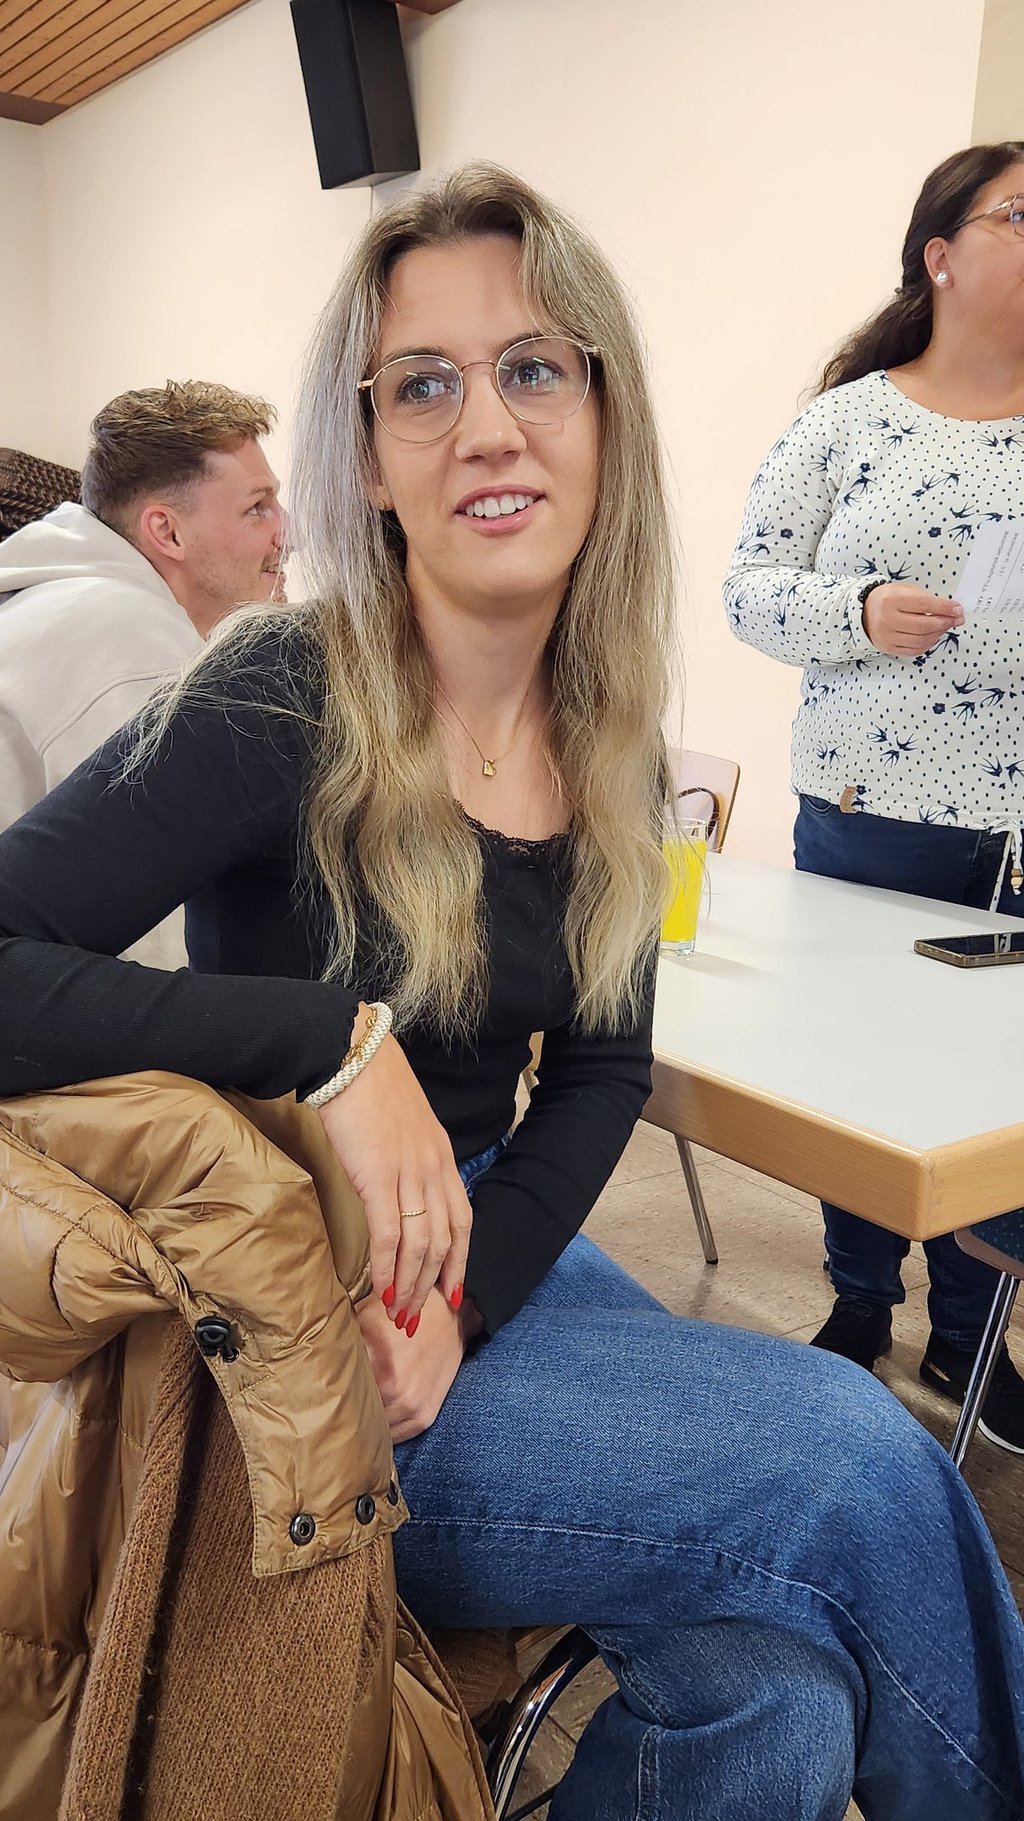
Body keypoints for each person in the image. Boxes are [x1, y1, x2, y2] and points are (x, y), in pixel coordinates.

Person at [0, 163, 1022, 1821]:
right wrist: (333, 1044)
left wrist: (467, 1301)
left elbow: (604, 1071)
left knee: (770, 1692)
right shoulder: (284, 691)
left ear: (604, 420)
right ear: (370, 459)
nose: (485, 427)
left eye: (534, 368)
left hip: (482, 1259)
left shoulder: (606, 727)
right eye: (423, 385)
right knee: (859, 1461)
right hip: (299, 1321)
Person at [725, 141, 1024, 1455]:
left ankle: (970, 1337)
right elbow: (747, 589)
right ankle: (858, 1302)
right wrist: (854, 612)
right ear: (940, 254)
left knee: (987, 1095)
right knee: (858, 1073)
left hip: (1014, 838)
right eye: (1022, 214)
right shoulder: (847, 419)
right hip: (866, 813)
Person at [0, 380, 284, 966]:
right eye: (257, 508)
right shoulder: (124, 636)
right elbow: (158, 948)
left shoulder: (51, 601)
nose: (287, 530)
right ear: (168, 532)